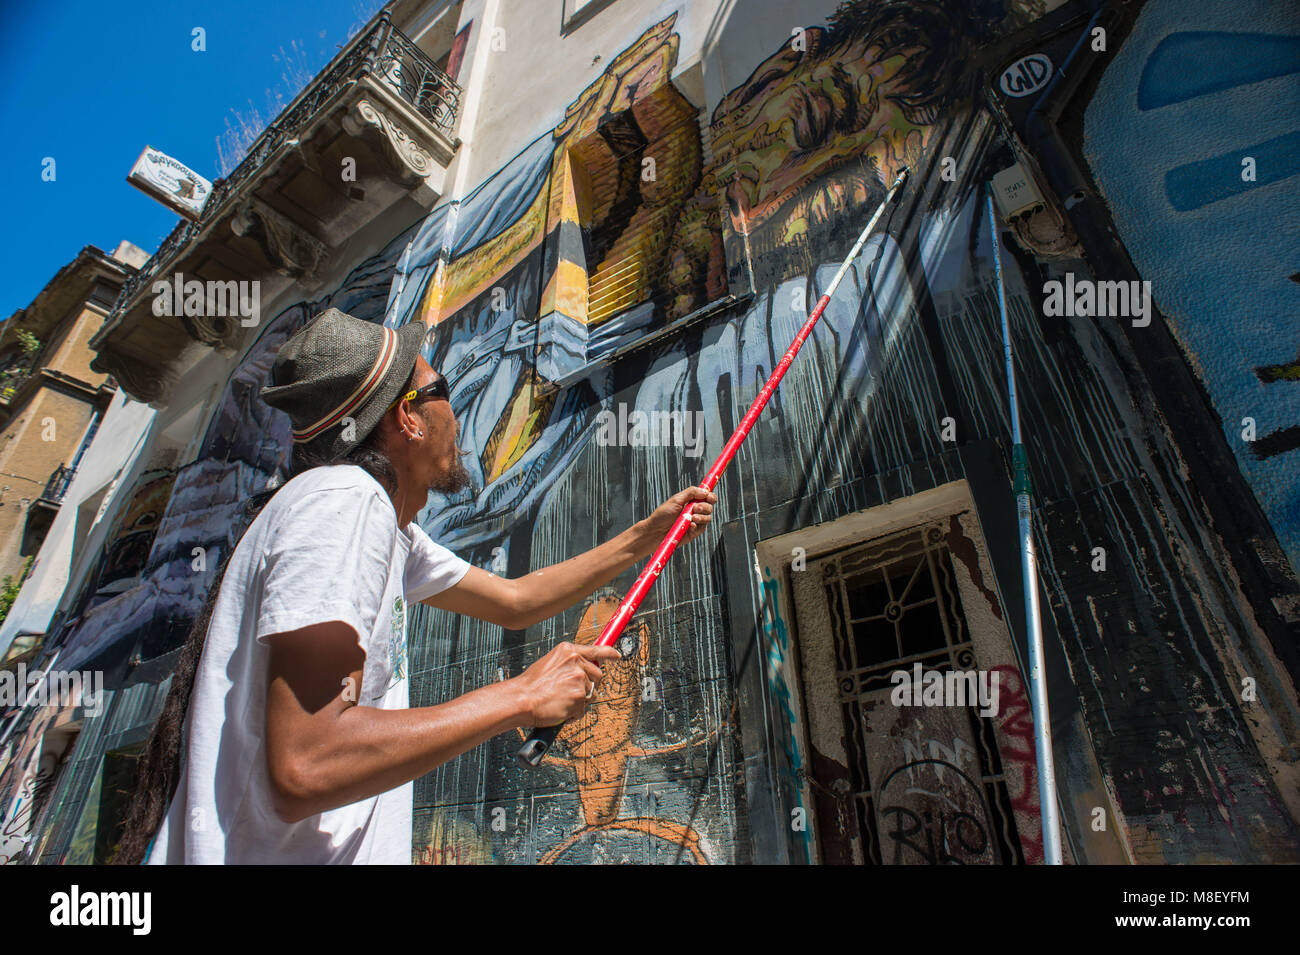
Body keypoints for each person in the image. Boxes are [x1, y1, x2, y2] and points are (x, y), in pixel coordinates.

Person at [113, 307, 715, 864]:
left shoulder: (386, 526)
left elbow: (516, 603)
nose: (455, 411)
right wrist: (520, 697)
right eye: (443, 391)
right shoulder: (342, 503)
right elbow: (308, 762)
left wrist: (645, 536)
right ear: (407, 417)